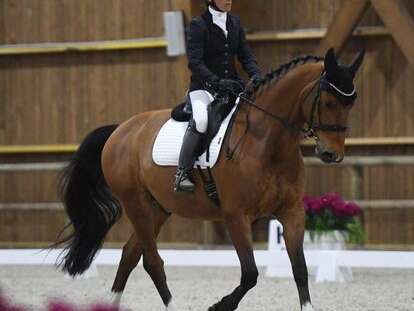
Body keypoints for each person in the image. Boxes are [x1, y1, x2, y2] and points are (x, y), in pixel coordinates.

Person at [174, 0, 264, 192]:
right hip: (204, 88)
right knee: (201, 121)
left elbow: (245, 55)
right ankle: (182, 171)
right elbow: (195, 63)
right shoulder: (199, 25)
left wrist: (256, 74)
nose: (228, 0)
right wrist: (216, 81)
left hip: (231, 87)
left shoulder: (235, 23)